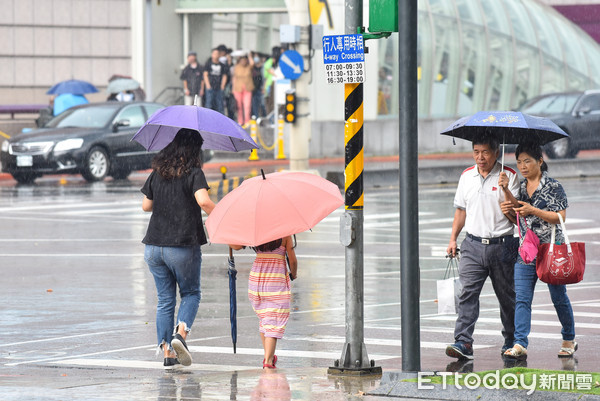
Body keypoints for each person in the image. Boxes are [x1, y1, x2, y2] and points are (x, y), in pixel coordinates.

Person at [141, 129, 215, 369]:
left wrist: (167, 200)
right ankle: (180, 335)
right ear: (195, 150)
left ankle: (167, 353)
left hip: (153, 246)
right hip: (181, 245)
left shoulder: (157, 172)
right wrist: (222, 214)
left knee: (164, 300)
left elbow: (145, 205)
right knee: (191, 293)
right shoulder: (194, 173)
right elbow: (203, 200)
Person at [445, 133, 520, 360]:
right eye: (476, 152)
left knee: (507, 296)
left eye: (485, 152)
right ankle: (463, 342)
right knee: (467, 294)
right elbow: (461, 210)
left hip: (504, 245)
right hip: (472, 245)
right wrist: (453, 238)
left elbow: (516, 216)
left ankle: (511, 339)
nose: (480, 157)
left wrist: (505, 190)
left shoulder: (510, 176)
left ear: (496, 152)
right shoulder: (466, 176)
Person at [499, 143, 576, 359]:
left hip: (552, 250)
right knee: (522, 298)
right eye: (519, 162)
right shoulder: (521, 187)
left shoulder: (554, 186)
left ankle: (569, 338)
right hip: (527, 250)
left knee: (558, 297)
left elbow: (560, 217)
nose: (522, 166)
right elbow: (518, 215)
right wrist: (506, 193)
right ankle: (520, 342)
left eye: (527, 161)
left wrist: (533, 210)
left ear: (539, 161)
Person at [231, 237, 297, 369]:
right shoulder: (285, 234)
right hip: (275, 280)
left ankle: (268, 354)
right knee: (274, 321)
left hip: (257, 279)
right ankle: (268, 361)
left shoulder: (257, 233)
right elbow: (292, 260)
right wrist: (293, 274)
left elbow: (236, 246)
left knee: (265, 318)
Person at [232, 54, 255, 126]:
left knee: (247, 105)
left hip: (247, 88)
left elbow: (252, 63)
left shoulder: (249, 67)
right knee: (239, 106)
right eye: (242, 60)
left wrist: (249, 55)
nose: (243, 62)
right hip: (238, 88)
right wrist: (233, 88)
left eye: (245, 60)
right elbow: (234, 78)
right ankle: (240, 120)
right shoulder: (236, 67)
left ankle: (247, 120)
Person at [204, 48, 228, 113]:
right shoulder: (208, 64)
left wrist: (222, 85)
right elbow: (205, 75)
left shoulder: (222, 65)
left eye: (217, 54)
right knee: (209, 104)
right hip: (210, 87)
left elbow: (224, 75)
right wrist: (208, 85)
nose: (216, 55)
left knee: (220, 104)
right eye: (214, 54)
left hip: (219, 87)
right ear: (212, 54)